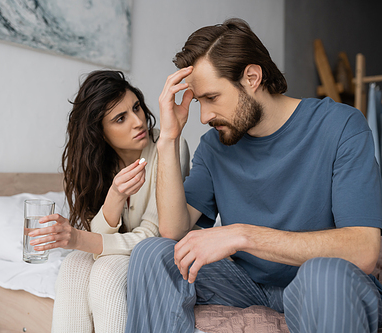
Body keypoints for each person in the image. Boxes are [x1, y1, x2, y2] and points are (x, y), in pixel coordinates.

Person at [125, 18, 382, 333]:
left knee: (322, 275)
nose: (204, 117)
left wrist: (242, 235)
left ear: (251, 77)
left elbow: (365, 250)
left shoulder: (340, 125)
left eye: (212, 98)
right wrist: (168, 137)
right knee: (153, 254)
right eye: (199, 101)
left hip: (320, 285)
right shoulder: (214, 146)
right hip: (248, 286)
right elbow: (172, 230)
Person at [27, 70, 190, 333]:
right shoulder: (97, 164)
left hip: (159, 255)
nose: (138, 122)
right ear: (100, 133)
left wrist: (78, 239)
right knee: (73, 265)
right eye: (120, 119)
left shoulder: (169, 146)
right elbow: (96, 243)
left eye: (136, 107)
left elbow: (155, 235)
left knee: (105, 273)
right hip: (122, 250)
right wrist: (114, 196)